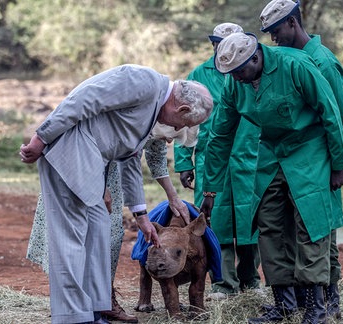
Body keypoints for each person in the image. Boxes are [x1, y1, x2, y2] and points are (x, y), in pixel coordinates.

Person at [20, 64, 212, 324]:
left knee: (100, 229)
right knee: (70, 238)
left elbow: (129, 160)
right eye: (184, 123)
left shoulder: (152, 111)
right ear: (183, 109)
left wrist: (142, 216)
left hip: (92, 163)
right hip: (70, 152)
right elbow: (83, 99)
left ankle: (97, 307)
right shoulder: (144, 82)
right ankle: (73, 317)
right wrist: (41, 138)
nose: (175, 132)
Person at [199, 33, 343, 324]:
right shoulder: (235, 82)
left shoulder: (295, 65)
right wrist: (211, 191)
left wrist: (337, 164)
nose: (236, 79)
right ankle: (284, 303)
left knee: (311, 223)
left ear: (255, 57)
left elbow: (330, 112)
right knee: (269, 225)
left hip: (309, 149)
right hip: (270, 151)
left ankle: (316, 308)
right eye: (230, 74)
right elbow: (220, 136)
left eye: (239, 71)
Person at [27, 124, 198, 323]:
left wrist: (173, 197)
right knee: (77, 238)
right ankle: (81, 304)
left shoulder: (160, 127)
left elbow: (156, 160)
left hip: (113, 179)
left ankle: (99, 301)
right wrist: (99, 186)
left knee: (109, 237)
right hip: (89, 169)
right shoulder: (144, 115)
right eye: (173, 136)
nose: (170, 142)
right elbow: (99, 142)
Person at [259, 0, 343, 319]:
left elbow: (338, 113)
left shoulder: (321, 61)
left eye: (276, 31)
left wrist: (332, 154)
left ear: (292, 23)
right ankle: (307, 302)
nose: (274, 40)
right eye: (269, 35)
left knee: (320, 230)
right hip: (293, 160)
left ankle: (329, 303)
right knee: (297, 229)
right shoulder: (290, 59)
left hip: (319, 157)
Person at [174, 22, 263, 300]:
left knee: (252, 219)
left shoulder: (252, 73)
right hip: (211, 159)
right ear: (213, 44)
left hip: (250, 157)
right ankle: (223, 283)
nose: (220, 48)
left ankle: (250, 281)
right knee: (215, 221)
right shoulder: (198, 75)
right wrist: (183, 162)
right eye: (217, 42)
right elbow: (183, 120)